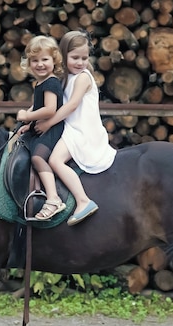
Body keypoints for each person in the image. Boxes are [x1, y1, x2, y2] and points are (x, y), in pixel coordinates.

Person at [35, 31, 116, 226]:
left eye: (84, 58)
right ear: (64, 56)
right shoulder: (66, 77)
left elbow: (71, 106)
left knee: (55, 160)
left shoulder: (83, 78)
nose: (80, 63)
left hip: (82, 131)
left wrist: (48, 123)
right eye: (75, 58)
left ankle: (83, 201)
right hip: (70, 128)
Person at [15, 35, 67, 221]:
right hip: (39, 127)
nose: (40, 64)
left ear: (54, 60)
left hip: (52, 129)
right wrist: (29, 125)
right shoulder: (40, 83)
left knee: (37, 158)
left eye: (45, 59)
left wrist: (27, 116)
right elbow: (38, 106)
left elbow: (50, 109)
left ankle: (53, 198)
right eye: (35, 60)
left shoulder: (51, 82)